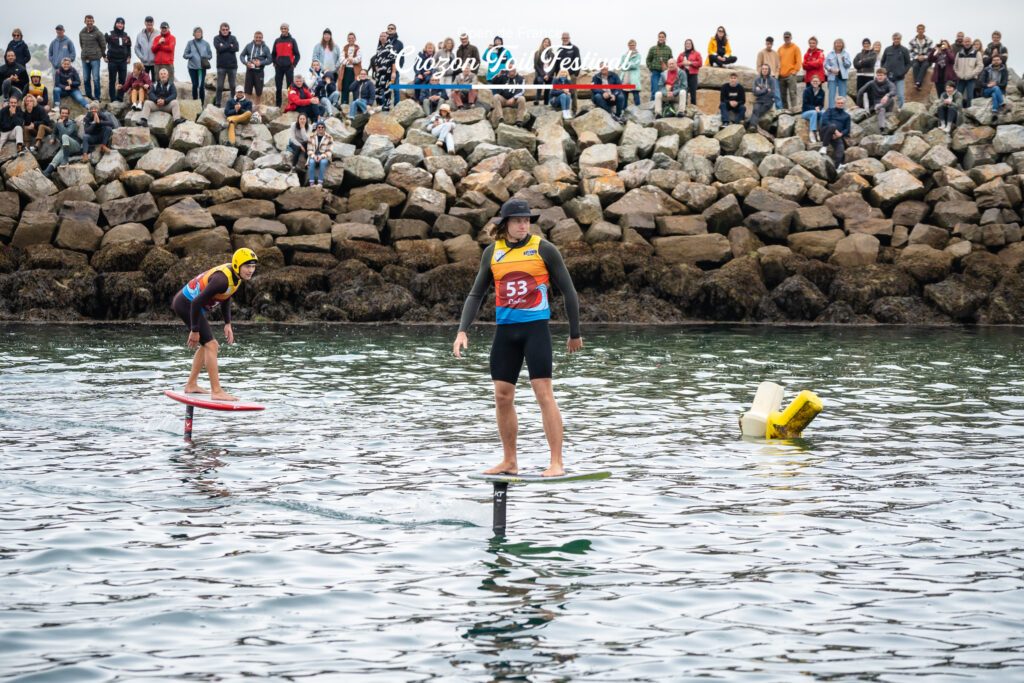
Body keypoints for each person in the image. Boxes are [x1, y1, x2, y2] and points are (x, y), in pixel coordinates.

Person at [453, 198, 582, 478]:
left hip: (535, 331)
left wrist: (575, 333)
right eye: (518, 220)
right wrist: (462, 330)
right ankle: (510, 461)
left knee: (543, 393)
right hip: (505, 333)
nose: (524, 225)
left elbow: (569, 291)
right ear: (505, 224)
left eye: (527, 220)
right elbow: (476, 294)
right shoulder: (493, 252)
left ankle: (556, 462)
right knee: (501, 396)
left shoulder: (544, 249)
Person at [172, 248, 259, 402]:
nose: (251, 270)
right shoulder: (221, 279)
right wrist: (194, 330)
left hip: (193, 306)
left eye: (253, 266)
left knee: (207, 345)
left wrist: (228, 323)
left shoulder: (236, 277)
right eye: (247, 266)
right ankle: (216, 391)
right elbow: (196, 302)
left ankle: (191, 385)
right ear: (238, 265)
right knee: (212, 345)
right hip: (186, 304)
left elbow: (226, 296)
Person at [42, 106, 81, 177]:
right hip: (65, 147)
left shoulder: (72, 123)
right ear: (60, 113)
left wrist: (60, 124)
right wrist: (52, 138)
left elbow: (66, 133)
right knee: (55, 160)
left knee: (64, 136)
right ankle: (46, 173)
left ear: (68, 114)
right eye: (63, 113)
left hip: (75, 145)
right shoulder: (59, 123)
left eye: (66, 113)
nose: (64, 115)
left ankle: (65, 160)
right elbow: (54, 132)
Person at [817, 96, 850, 169]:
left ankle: (836, 167)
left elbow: (847, 129)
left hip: (836, 137)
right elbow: (825, 121)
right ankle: (824, 147)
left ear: (844, 104)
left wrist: (840, 134)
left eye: (842, 103)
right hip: (825, 132)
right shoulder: (829, 110)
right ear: (835, 103)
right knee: (832, 126)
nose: (840, 104)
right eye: (838, 103)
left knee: (841, 148)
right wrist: (835, 130)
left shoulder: (847, 116)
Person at [272, 24, 300, 108]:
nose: (283, 30)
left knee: (290, 88)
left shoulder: (292, 40)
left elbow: (297, 55)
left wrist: (293, 65)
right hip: (279, 67)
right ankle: (278, 105)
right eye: (282, 28)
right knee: (278, 87)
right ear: (280, 29)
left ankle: (291, 104)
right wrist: (275, 63)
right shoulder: (277, 41)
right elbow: (273, 54)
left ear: (288, 29)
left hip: (289, 67)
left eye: (285, 28)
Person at [211, 23, 239, 107]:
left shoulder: (233, 38)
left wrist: (224, 46)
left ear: (229, 30)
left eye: (226, 29)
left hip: (232, 66)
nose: (225, 31)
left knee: (233, 86)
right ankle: (218, 103)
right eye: (223, 29)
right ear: (220, 30)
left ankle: (233, 103)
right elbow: (219, 48)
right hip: (221, 66)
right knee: (219, 86)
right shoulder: (216, 38)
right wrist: (230, 46)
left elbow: (236, 48)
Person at [105, 18, 132, 103]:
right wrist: (103, 55)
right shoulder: (109, 34)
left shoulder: (126, 35)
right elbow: (102, 44)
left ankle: (120, 98)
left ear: (123, 25)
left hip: (123, 61)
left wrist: (129, 57)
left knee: (122, 80)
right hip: (112, 60)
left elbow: (128, 47)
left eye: (122, 23)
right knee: (112, 80)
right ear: (115, 24)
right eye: (118, 23)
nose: (120, 25)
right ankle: (113, 98)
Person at [79, 14, 105, 100]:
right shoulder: (81, 33)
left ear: (93, 21)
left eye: (91, 21)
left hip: (95, 59)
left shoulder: (98, 33)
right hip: (84, 59)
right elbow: (81, 45)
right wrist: (85, 52)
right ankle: (89, 96)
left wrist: (100, 55)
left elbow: (103, 45)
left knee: (96, 79)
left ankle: (97, 97)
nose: (89, 22)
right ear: (85, 22)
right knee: (86, 79)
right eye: (87, 21)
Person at [183, 27, 213, 105]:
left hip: (201, 68)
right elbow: (184, 55)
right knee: (195, 85)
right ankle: (195, 102)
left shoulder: (206, 44)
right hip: (192, 67)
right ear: (194, 34)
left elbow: (210, 55)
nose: (198, 33)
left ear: (202, 34)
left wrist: (205, 56)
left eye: (200, 32)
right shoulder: (190, 43)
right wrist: (191, 55)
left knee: (201, 86)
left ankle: (202, 104)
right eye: (197, 32)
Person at [880, 33, 911, 107]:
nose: (896, 40)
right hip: (888, 77)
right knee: (888, 95)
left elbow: (908, 64)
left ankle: (901, 111)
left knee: (900, 95)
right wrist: (884, 71)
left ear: (900, 39)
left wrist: (903, 72)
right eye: (895, 39)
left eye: (898, 39)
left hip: (899, 78)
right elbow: (882, 61)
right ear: (892, 39)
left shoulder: (904, 50)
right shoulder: (887, 49)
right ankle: (888, 109)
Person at [554, 33, 582, 113]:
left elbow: (578, 61)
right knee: (561, 92)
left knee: (572, 93)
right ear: (561, 38)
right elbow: (556, 63)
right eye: (563, 38)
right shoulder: (559, 49)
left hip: (571, 75)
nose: (565, 39)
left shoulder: (575, 48)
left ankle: (574, 110)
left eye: (566, 38)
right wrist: (557, 75)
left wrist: (575, 74)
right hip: (561, 76)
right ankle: (562, 109)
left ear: (569, 38)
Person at [370, 32, 397, 111]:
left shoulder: (390, 47)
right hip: (379, 73)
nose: (382, 37)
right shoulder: (378, 48)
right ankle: (379, 105)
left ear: (387, 37)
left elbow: (393, 61)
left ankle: (387, 106)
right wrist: (376, 68)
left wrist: (393, 72)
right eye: (381, 36)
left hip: (388, 72)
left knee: (387, 89)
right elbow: (376, 60)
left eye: (384, 36)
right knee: (378, 89)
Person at [241, 32, 271, 99]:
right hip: (250, 71)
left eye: (260, 37)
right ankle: (247, 107)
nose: (258, 39)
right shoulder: (248, 46)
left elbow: (270, 60)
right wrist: (246, 63)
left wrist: (261, 62)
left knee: (259, 92)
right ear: (254, 38)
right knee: (247, 91)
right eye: (256, 37)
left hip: (259, 72)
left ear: (262, 38)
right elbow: (242, 55)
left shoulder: (266, 48)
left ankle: (258, 108)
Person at [954, 37, 983, 107]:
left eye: (968, 41)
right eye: (965, 42)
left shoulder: (976, 53)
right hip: (961, 78)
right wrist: (958, 74)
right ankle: (958, 111)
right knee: (958, 96)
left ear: (971, 42)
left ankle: (969, 112)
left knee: (970, 96)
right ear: (963, 43)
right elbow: (955, 66)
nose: (967, 43)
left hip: (971, 79)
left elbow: (980, 66)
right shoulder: (959, 53)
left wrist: (972, 74)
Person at [824, 39, 852, 108]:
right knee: (831, 95)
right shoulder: (830, 54)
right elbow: (825, 64)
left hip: (842, 77)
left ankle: (842, 112)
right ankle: (831, 112)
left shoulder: (846, 54)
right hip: (832, 76)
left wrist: (844, 60)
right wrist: (831, 69)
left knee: (842, 95)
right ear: (834, 44)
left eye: (840, 43)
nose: (838, 44)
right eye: (837, 43)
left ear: (842, 44)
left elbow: (848, 65)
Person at [778, 31, 801, 111]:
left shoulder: (795, 48)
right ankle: (785, 111)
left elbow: (798, 61)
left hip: (791, 75)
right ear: (783, 38)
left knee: (792, 93)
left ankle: (794, 111)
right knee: (782, 95)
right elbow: (778, 61)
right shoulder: (780, 49)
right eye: (785, 37)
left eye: (788, 37)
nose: (786, 38)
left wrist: (795, 70)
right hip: (781, 76)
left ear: (791, 37)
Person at [748, 63, 775, 131]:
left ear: (769, 70)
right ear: (761, 70)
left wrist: (761, 90)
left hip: (768, 101)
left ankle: (749, 123)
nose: (764, 70)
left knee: (758, 111)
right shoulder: (757, 79)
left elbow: (772, 93)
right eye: (763, 69)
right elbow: (755, 92)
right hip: (759, 100)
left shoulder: (772, 80)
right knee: (756, 109)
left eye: (766, 69)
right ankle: (752, 126)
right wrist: (766, 90)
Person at [757, 37, 783, 110]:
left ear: (772, 44)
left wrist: (776, 75)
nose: (769, 45)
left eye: (770, 44)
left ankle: (780, 112)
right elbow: (758, 66)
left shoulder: (775, 54)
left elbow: (778, 66)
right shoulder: (761, 53)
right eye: (768, 44)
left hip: (774, 77)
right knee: (766, 95)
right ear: (766, 43)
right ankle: (766, 111)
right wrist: (762, 76)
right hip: (765, 78)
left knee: (777, 95)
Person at [647, 32, 673, 102]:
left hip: (665, 73)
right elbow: (648, 59)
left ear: (665, 38)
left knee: (664, 90)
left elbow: (671, 60)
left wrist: (669, 69)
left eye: (662, 37)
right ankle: (652, 106)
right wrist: (651, 67)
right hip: (655, 72)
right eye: (660, 37)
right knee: (654, 90)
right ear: (658, 38)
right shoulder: (653, 48)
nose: (661, 38)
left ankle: (663, 106)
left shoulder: (668, 49)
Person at [306, 120, 332, 187]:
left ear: (324, 128)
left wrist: (322, 156)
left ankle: (320, 183)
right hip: (314, 155)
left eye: (322, 127)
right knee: (311, 162)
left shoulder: (329, 137)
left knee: (323, 162)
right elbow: (309, 149)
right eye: (319, 127)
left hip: (324, 156)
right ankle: (311, 183)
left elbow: (329, 151)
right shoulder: (311, 136)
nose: (320, 128)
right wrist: (313, 156)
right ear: (316, 128)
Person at [801, 74, 825, 143]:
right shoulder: (806, 91)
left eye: (817, 81)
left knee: (823, 112)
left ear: (820, 82)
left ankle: (820, 131)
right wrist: (814, 108)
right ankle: (812, 132)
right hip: (806, 112)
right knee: (814, 113)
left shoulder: (822, 92)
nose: (815, 83)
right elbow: (805, 105)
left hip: (817, 110)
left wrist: (819, 108)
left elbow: (821, 104)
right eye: (814, 81)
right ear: (811, 82)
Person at [385, 23, 405, 105]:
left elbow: (402, 57)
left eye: (392, 28)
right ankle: (385, 106)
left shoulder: (399, 43)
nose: (390, 29)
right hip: (385, 70)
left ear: (395, 30)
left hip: (395, 69)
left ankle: (397, 106)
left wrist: (398, 67)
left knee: (396, 89)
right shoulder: (383, 41)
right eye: (389, 28)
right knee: (385, 89)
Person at [908, 24, 933, 90]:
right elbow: (910, 52)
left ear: (924, 30)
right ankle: (918, 83)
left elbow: (930, 52)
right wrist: (917, 57)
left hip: (926, 59)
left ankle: (917, 83)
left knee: (925, 65)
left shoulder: (929, 41)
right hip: (916, 58)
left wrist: (924, 57)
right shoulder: (911, 41)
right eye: (919, 29)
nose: (920, 30)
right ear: (917, 30)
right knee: (915, 65)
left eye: (922, 29)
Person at [678, 39, 702, 105]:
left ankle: (693, 108)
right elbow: (677, 64)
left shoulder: (697, 53)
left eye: (689, 43)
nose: (688, 45)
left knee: (693, 92)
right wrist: (683, 63)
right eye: (686, 43)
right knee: (683, 92)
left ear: (692, 45)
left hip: (693, 75)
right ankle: (683, 108)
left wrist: (690, 63)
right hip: (684, 75)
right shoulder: (681, 54)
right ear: (685, 45)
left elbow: (700, 63)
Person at [339, 33, 361, 103]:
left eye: (352, 38)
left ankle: (356, 104)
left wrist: (352, 60)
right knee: (345, 87)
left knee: (355, 87)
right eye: (349, 38)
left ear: (355, 39)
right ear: (347, 39)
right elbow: (341, 59)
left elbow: (359, 59)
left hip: (355, 71)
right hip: (346, 70)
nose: (351, 39)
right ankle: (344, 104)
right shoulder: (345, 48)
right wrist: (348, 61)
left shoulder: (358, 48)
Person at [620, 39, 642, 106]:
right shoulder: (624, 56)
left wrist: (627, 64)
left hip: (634, 78)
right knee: (624, 96)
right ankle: (624, 112)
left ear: (635, 45)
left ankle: (639, 111)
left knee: (636, 95)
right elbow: (622, 65)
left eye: (633, 45)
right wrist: (629, 64)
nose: (632, 46)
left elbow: (635, 65)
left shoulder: (638, 56)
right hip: (625, 78)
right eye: (630, 45)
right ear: (628, 46)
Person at [533, 37, 553, 104]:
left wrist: (548, 75)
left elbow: (553, 67)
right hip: (540, 74)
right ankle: (537, 99)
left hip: (549, 74)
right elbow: (536, 65)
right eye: (545, 42)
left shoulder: (552, 55)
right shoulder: (537, 53)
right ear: (542, 43)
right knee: (540, 81)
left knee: (549, 84)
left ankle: (546, 101)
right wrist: (544, 75)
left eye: (548, 42)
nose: (546, 43)